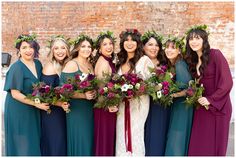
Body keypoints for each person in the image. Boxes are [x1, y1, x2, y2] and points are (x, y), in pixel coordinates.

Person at [185, 25, 233, 156]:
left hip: (218, 106)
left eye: (197, 38)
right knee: (198, 146)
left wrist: (211, 100)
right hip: (201, 106)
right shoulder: (192, 60)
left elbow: (227, 82)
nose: (194, 41)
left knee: (215, 147)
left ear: (204, 40)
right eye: (191, 39)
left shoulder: (215, 54)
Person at [4, 34, 50, 156]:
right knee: (23, 142)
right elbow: (15, 94)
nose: (28, 50)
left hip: (32, 108)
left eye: (31, 47)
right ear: (19, 50)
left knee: (33, 140)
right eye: (24, 47)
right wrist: (37, 103)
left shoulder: (38, 64)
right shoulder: (17, 68)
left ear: (35, 49)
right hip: (18, 109)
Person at [115, 29, 154, 156]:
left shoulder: (144, 60)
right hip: (121, 105)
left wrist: (136, 91)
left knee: (135, 133)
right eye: (126, 40)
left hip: (139, 104)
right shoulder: (119, 61)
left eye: (133, 40)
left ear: (138, 43)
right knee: (121, 134)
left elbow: (152, 84)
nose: (129, 43)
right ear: (122, 43)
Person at [60, 34, 96, 156]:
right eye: (83, 46)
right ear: (77, 49)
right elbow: (63, 90)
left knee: (89, 141)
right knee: (81, 140)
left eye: (89, 46)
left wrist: (94, 92)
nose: (87, 49)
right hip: (77, 110)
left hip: (89, 109)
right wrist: (83, 95)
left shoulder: (90, 65)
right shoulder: (72, 64)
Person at [40, 36, 70, 156]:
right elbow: (44, 94)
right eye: (56, 48)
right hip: (52, 114)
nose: (60, 51)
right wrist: (59, 103)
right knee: (56, 144)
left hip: (64, 111)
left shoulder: (67, 65)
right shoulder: (49, 67)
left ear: (67, 50)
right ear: (52, 51)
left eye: (63, 48)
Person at [141, 31, 170, 156]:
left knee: (158, 136)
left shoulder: (165, 64)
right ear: (143, 47)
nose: (154, 48)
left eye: (156, 45)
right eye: (150, 44)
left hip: (160, 106)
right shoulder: (140, 62)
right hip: (143, 104)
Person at [164, 36, 193, 156]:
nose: (169, 50)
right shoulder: (173, 64)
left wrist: (170, 95)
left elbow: (189, 90)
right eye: (167, 47)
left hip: (182, 107)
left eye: (173, 48)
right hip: (179, 106)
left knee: (176, 139)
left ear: (179, 50)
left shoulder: (180, 64)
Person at [93, 31, 118, 156]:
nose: (109, 46)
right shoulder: (103, 62)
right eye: (105, 44)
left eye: (110, 43)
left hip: (108, 105)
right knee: (105, 140)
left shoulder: (108, 60)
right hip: (105, 108)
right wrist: (108, 105)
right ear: (99, 49)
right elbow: (100, 88)